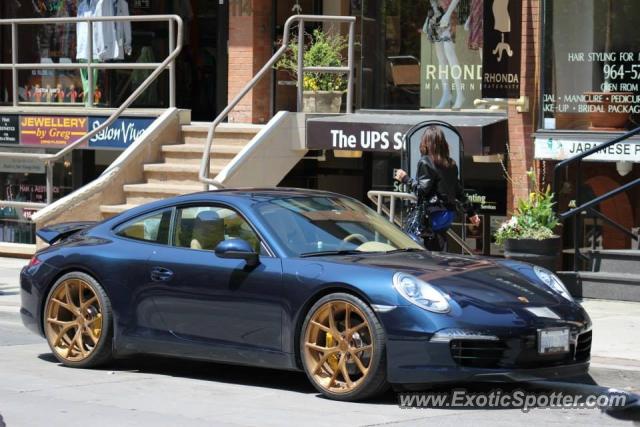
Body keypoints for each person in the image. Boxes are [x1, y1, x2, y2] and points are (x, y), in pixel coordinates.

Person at [394, 125, 481, 251]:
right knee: (437, 247)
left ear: (426, 143)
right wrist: (471, 213)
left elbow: (421, 191)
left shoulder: (425, 162)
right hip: (448, 214)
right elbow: (458, 192)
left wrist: (405, 179)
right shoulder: (451, 164)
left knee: (410, 242)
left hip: (434, 214)